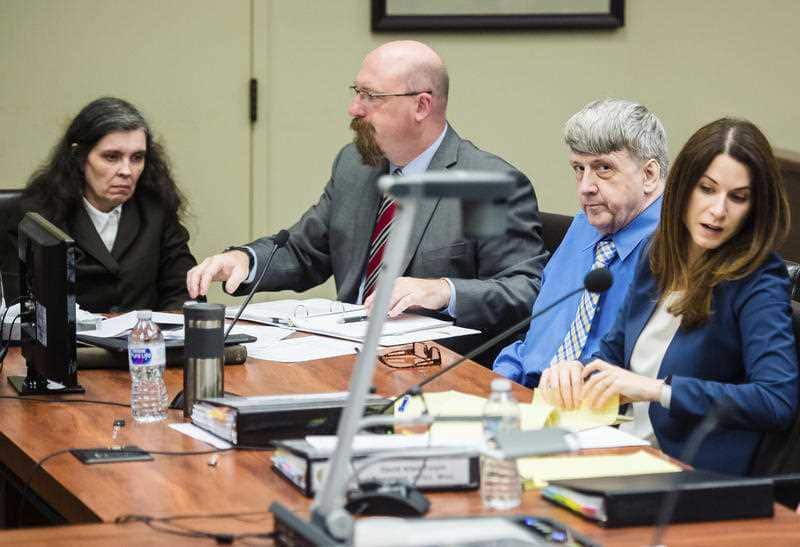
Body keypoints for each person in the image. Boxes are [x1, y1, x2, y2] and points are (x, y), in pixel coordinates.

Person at [187, 40, 547, 358]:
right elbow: (303, 250)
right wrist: (243, 260)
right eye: (356, 92)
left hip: (434, 371)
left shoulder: (486, 185)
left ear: (421, 106)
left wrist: (444, 290)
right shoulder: (356, 165)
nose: (354, 108)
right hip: (340, 357)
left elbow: (524, 290)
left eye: (370, 96)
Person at [542, 118, 799, 475]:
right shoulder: (659, 251)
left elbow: (775, 399)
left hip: (687, 471)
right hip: (620, 448)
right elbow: (613, 353)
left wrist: (658, 390)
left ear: (755, 207)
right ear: (683, 188)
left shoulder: (758, 278)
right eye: (707, 189)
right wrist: (579, 370)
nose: (718, 210)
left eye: (738, 197)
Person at [493, 99, 667, 386]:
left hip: (602, 413)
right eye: (578, 168)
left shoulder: (675, 247)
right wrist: (499, 384)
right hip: (526, 397)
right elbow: (536, 341)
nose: (586, 187)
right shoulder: (585, 226)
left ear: (649, 175)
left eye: (603, 168)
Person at [5, 97, 197, 313]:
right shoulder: (37, 215)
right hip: (71, 345)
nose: (127, 170)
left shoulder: (156, 208)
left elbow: (184, 292)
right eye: (112, 157)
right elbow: (23, 308)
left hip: (145, 343)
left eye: (137, 158)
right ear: (79, 157)